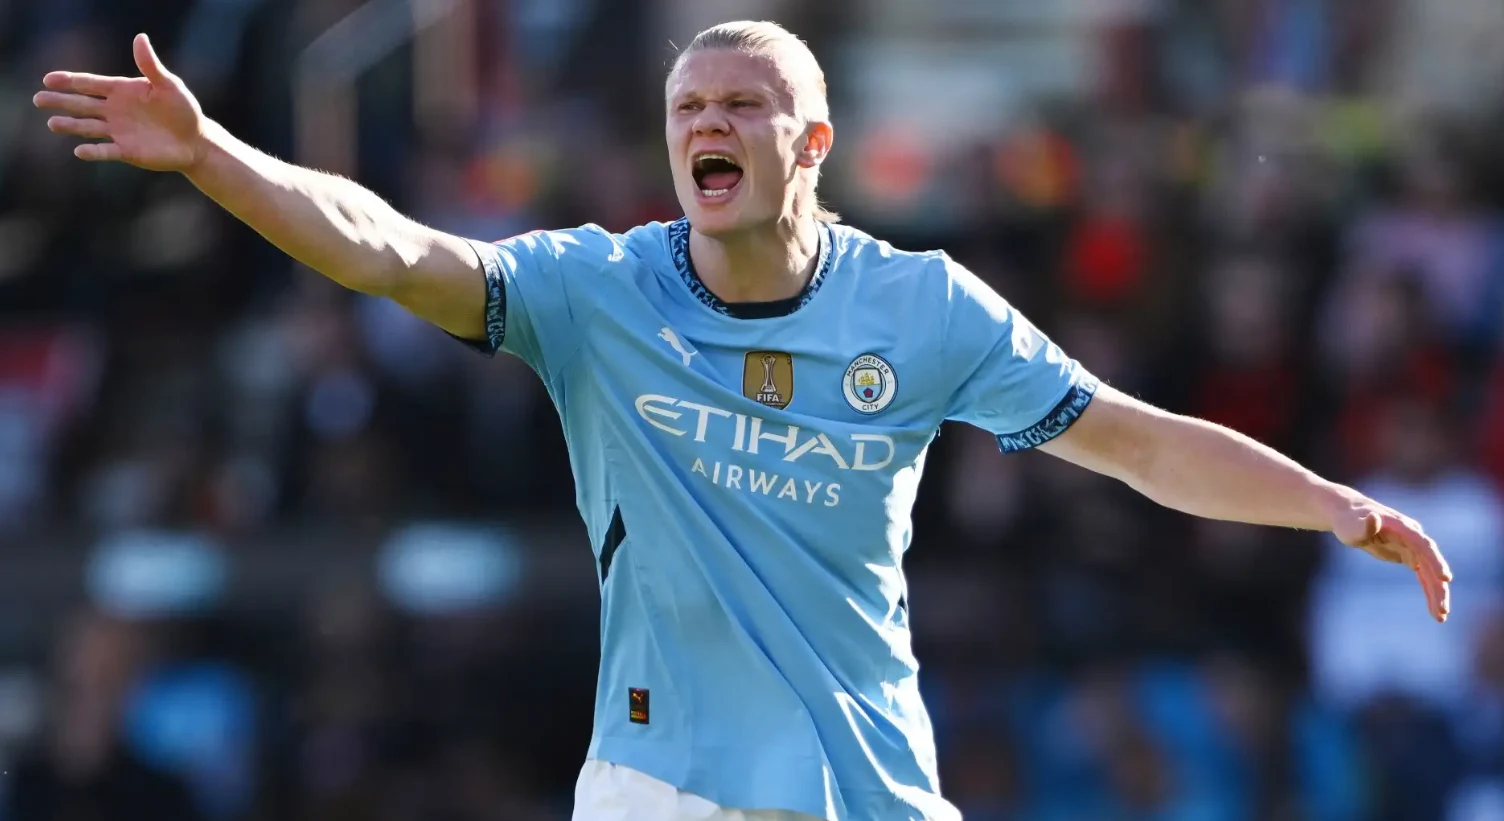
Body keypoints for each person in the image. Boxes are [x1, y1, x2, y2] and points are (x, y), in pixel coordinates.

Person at [33, 20, 1452, 821]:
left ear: (813, 144)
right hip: (660, 786)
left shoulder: (922, 308)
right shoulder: (596, 292)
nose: (706, 124)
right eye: (687, 106)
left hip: (866, 783)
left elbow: (1134, 440)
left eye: (742, 105)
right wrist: (215, 157)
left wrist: (1329, 504)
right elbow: (390, 250)